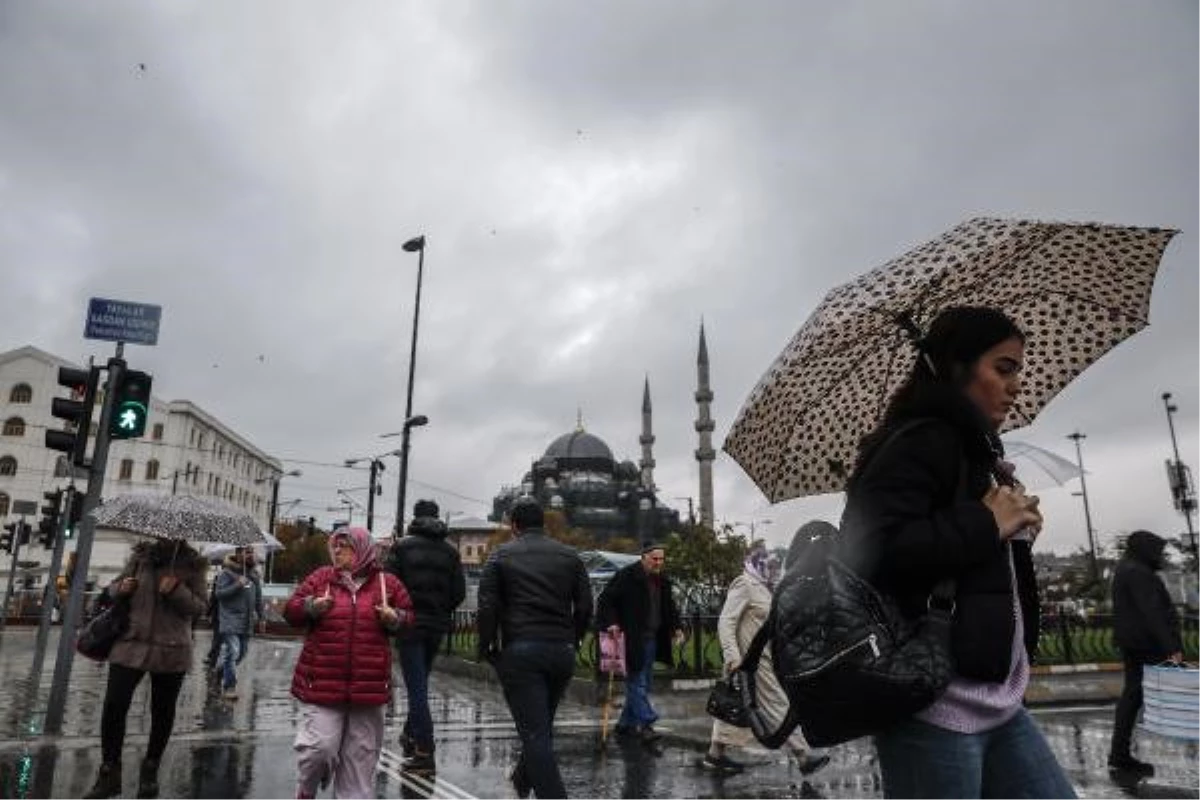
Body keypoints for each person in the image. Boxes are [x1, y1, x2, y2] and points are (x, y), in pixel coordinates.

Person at [841, 306, 1076, 799]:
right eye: (1004, 368)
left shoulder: (977, 454)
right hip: (935, 704)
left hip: (997, 698)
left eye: (1018, 370)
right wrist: (986, 522)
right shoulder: (916, 443)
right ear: (956, 368)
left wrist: (1014, 532)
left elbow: (964, 556)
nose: (1015, 385)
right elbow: (873, 551)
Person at [285, 526, 413, 800]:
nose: (338, 550)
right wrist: (310, 606)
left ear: (363, 550)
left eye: (346, 546)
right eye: (336, 545)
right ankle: (306, 789)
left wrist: (396, 618)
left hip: (368, 691)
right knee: (318, 750)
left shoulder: (387, 584)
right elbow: (291, 611)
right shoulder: (322, 578)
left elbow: (410, 619)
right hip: (322, 684)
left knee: (359, 765)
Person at [477, 497, 592, 800]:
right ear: (542, 524)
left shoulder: (501, 556)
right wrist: (575, 638)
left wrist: (485, 645)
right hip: (561, 651)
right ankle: (522, 779)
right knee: (542, 724)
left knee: (535, 733)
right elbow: (584, 606)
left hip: (521, 651)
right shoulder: (570, 556)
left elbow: (487, 606)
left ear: (514, 526)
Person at [83, 539, 208, 800]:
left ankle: (150, 769)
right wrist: (121, 588)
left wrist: (176, 591)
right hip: (131, 642)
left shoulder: (194, 564)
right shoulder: (140, 557)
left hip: (171, 648)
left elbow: (200, 608)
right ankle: (109, 771)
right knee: (114, 705)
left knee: (162, 711)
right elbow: (113, 588)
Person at [703, 541, 829, 777]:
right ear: (757, 563)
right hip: (751, 662)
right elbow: (725, 621)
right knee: (779, 704)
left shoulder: (764, 587)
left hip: (764, 659)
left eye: (774, 566)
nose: (772, 570)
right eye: (769, 566)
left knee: (735, 704)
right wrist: (732, 657)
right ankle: (803, 756)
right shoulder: (745, 584)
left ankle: (714, 755)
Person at [385, 499, 467, 771]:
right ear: (437, 517)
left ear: (415, 517)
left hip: (409, 625)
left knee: (417, 688)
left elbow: (388, 586)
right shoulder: (451, 552)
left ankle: (424, 749)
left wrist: (399, 612)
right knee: (420, 682)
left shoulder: (402, 547)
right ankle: (410, 733)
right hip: (436, 626)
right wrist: (442, 610)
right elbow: (459, 593)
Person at [596, 541, 683, 753]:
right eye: (655, 558)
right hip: (632, 637)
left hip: (652, 638)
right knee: (636, 681)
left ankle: (625, 724)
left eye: (662, 559)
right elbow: (606, 601)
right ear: (643, 557)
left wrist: (676, 628)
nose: (658, 562)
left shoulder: (662, 580)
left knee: (645, 681)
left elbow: (668, 606)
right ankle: (646, 723)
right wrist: (612, 622)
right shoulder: (627, 576)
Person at [1109, 529, 1183, 776]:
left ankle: (1118, 753)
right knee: (1139, 696)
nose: (1160, 556)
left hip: (1134, 643)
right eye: (1157, 551)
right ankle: (1119, 754)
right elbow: (1152, 613)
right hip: (1146, 645)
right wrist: (1171, 648)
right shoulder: (1139, 573)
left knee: (1132, 696)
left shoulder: (1126, 569)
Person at [213, 547, 263, 700]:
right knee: (233, 652)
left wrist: (262, 617)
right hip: (230, 619)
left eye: (251, 552)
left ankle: (220, 670)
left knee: (240, 654)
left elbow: (258, 599)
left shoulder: (254, 576)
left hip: (247, 621)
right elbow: (219, 594)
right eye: (246, 552)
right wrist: (237, 585)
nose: (250, 555)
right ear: (238, 554)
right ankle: (230, 687)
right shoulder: (226, 573)